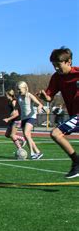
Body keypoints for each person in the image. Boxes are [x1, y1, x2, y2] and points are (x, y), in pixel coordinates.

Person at [39, 47, 79, 179]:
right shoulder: (57, 78)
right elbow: (49, 96)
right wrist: (45, 97)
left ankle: (76, 162)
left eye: (58, 65)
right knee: (56, 134)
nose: (56, 68)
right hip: (74, 115)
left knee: (56, 133)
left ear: (69, 62)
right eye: (53, 65)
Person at [16, 81, 44, 159]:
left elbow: (40, 104)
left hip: (31, 117)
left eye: (19, 89)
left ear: (25, 88)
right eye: (17, 89)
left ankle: (32, 153)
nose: (18, 91)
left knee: (26, 133)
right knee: (27, 136)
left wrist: (39, 107)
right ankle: (38, 152)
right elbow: (17, 107)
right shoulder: (18, 97)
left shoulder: (29, 95)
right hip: (23, 118)